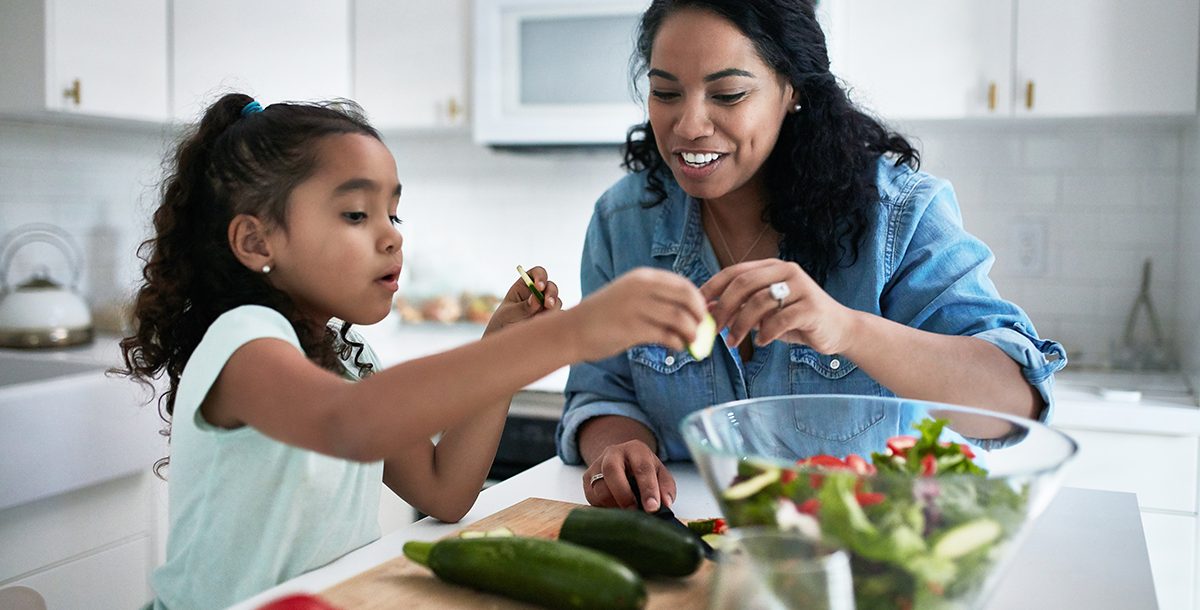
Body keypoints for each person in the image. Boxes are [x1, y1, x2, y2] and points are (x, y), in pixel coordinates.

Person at [116, 93, 708, 609]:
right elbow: (348, 424)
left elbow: (445, 491)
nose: (393, 233)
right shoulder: (243, 342)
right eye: (356, 213)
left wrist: (503, 344)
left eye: (393, 212)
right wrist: (570, 333)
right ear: (256, 240)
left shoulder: (349, 359)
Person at [557, 0, 1067, 514]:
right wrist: (618, 449)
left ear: (791, 90)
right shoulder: (622, 221)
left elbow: (1015, 403)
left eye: (728, 94)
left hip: (865, 556)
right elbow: (601, 393)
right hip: (691, 552)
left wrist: (846, 329)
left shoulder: (898, 215)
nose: (689, 124)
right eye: (666, 92)